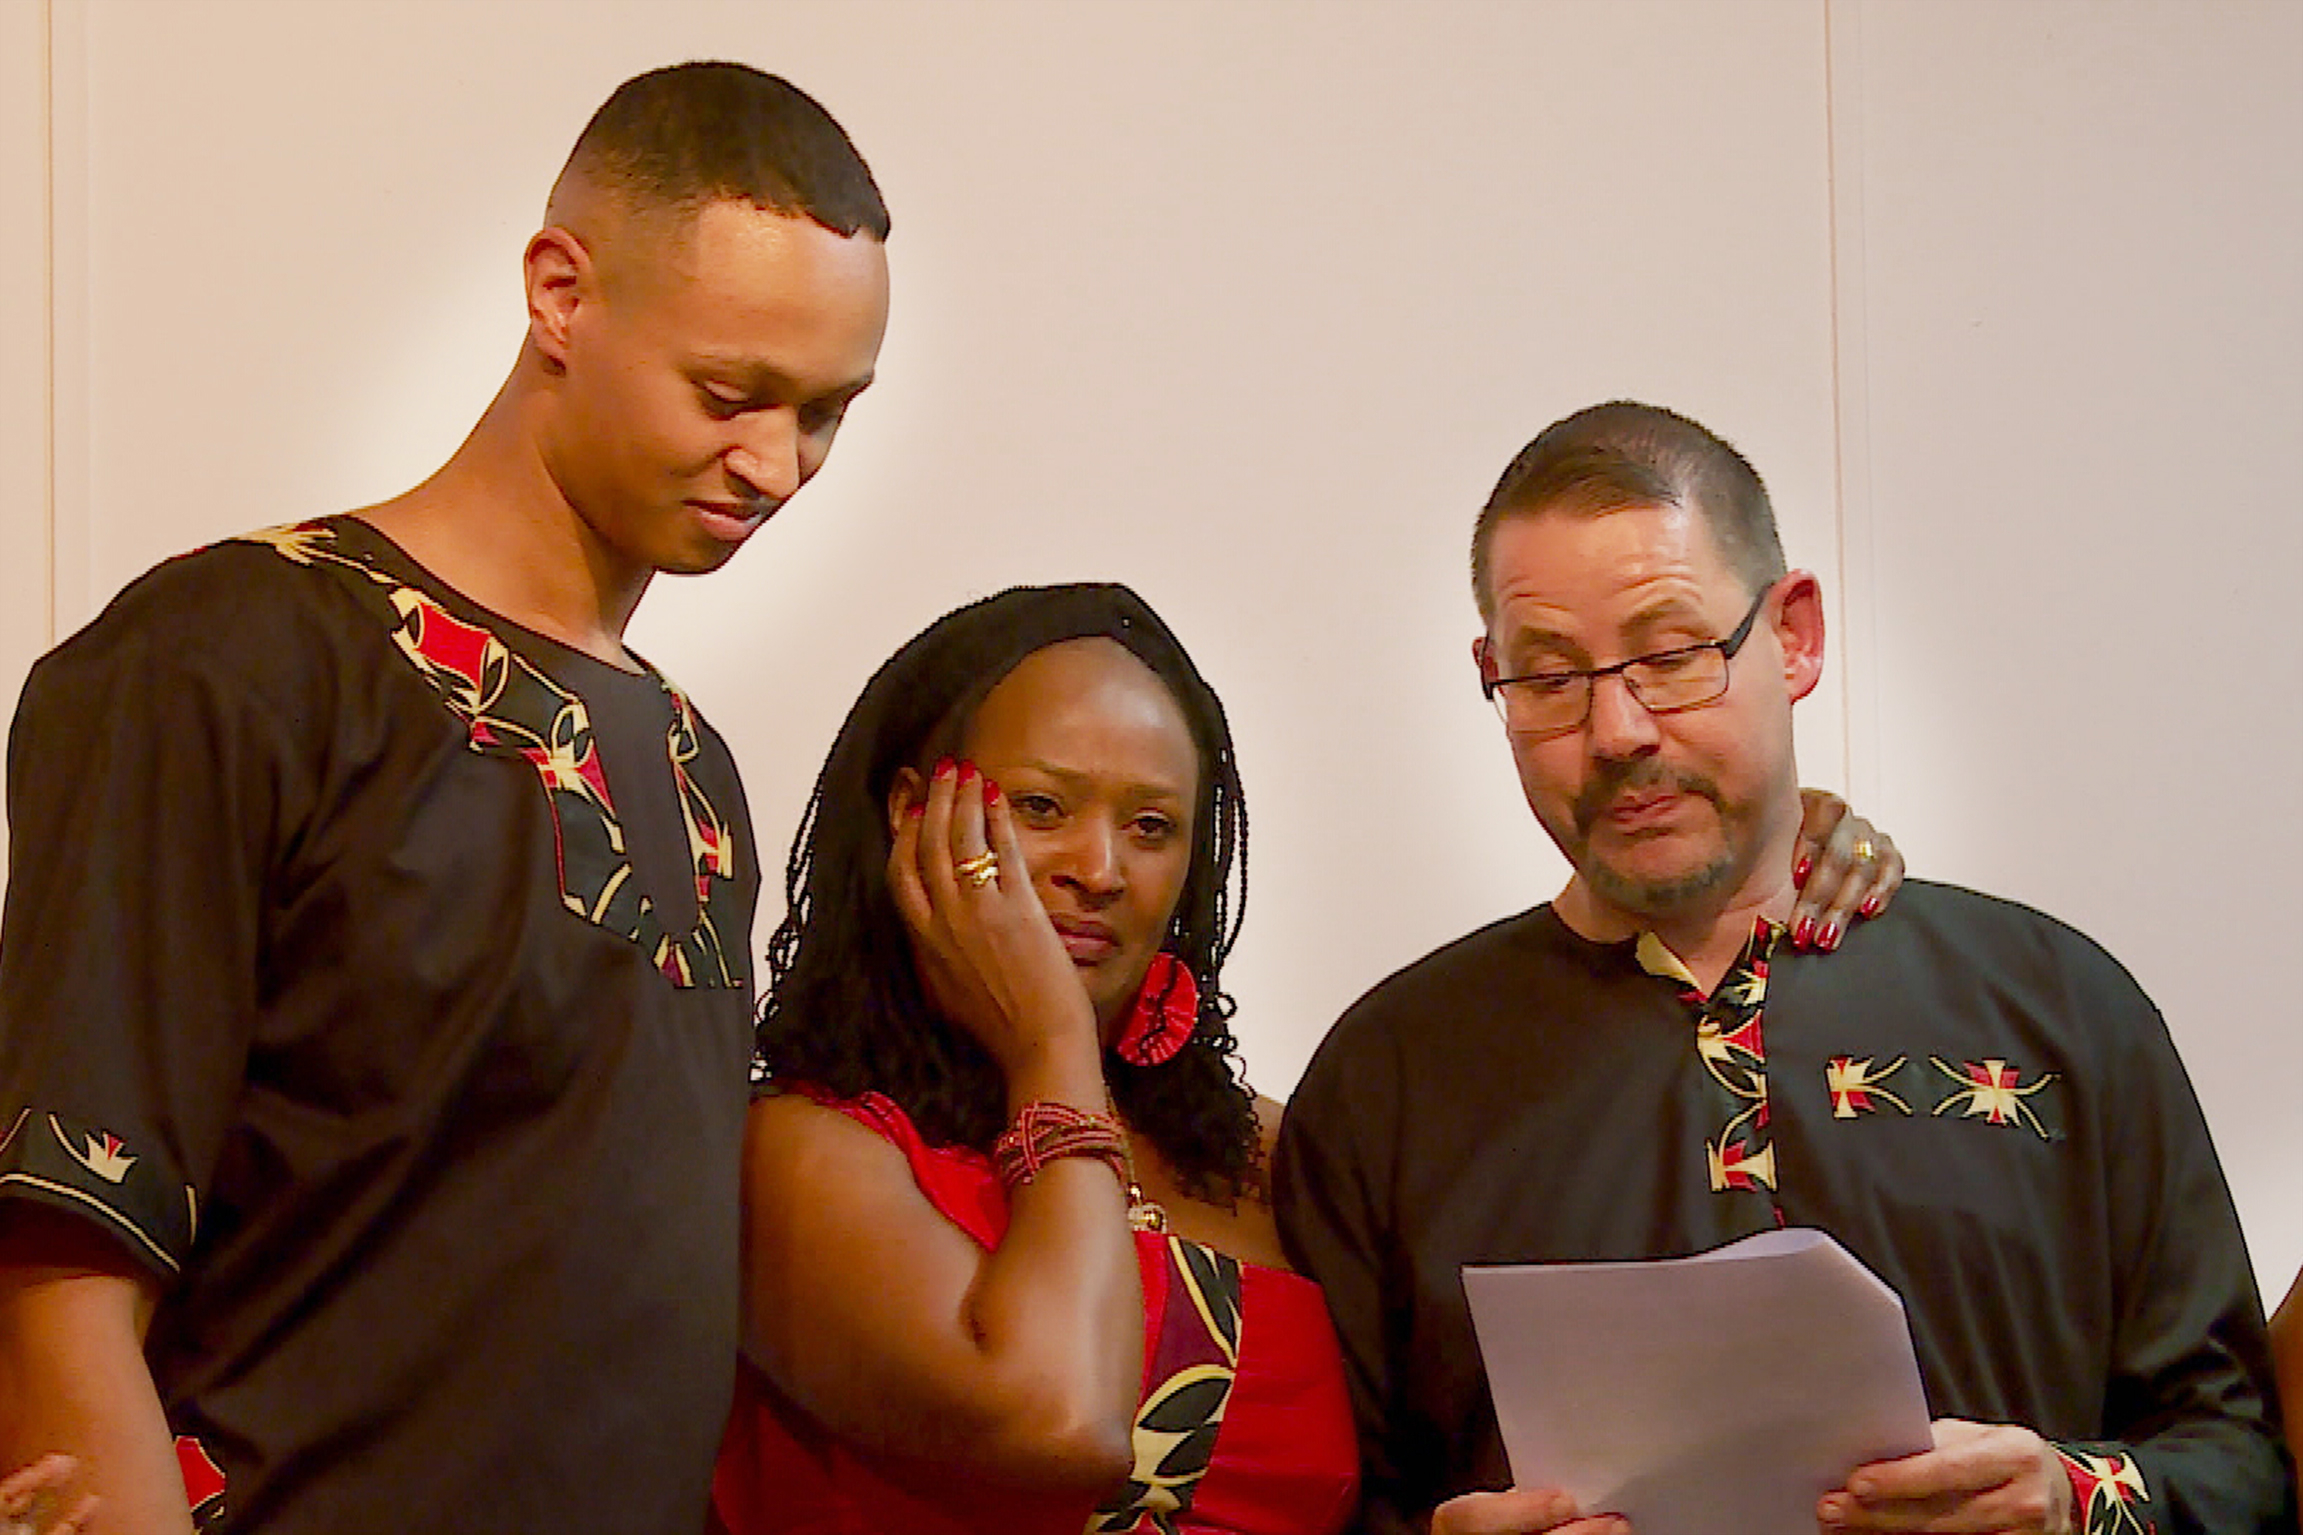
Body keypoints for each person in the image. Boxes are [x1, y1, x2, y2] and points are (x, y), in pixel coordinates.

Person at [0, 61, 889, 1533]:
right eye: (731, 393)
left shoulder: (688, 762)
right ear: (560, 293)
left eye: (827, 413)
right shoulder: (228, 658)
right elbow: (60, 1248)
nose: (776, 464)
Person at [1274, 401, 2294, 1535]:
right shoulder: (1393, 1079)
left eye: (1669, 655)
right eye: (1549, 677)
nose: (1616, 729)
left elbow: (2241, 1463)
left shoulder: (2055, 1007)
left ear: (1793, 633)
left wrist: (2066, 1496)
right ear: (1489, 674)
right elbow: (1313, 1504)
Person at [709, 582, 1902, 1535]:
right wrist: (1051, 1049)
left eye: (1150, 824)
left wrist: (1751, 844)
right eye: (1039, 806)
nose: (1098, 866)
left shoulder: (1266, 1154)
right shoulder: (804, 1153)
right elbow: (1061, 1423)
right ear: (917, 816)